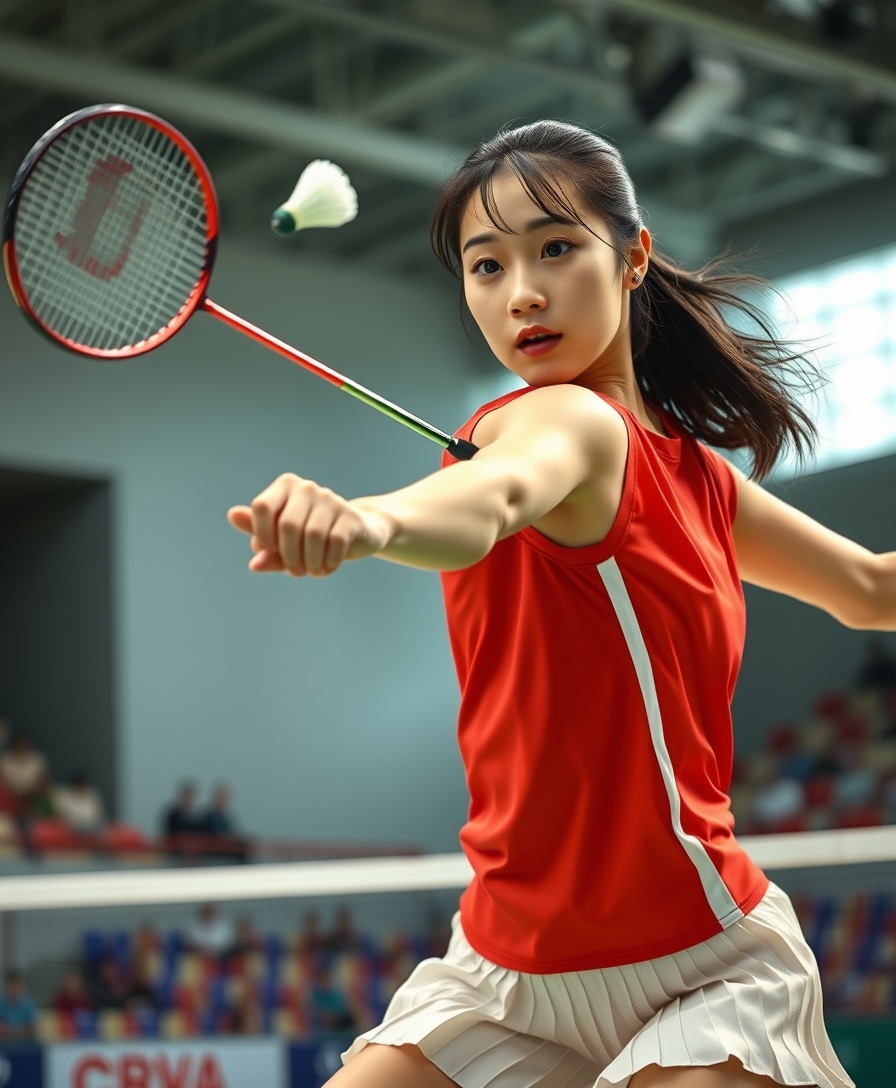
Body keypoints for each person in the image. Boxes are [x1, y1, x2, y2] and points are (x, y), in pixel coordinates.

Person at [227, 121, 863, 1088]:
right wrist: (369, 522)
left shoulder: (696, 478)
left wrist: (365, 521)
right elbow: (490, 499)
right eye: (486, 266)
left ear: (633, 257)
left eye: (555, 248)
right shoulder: (544, 423)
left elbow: (870, 589)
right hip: (505, 978)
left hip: (705, 971)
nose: (521, 291)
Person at [0, 970, 36, 1039]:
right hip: (3, 1043)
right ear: (6, 986)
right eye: (12, 986)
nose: (15, 989)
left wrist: (10, 1030)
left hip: (25, 1043)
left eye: (18, 985)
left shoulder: (28, 1003)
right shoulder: (1, 1002)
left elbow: (32, 1028)